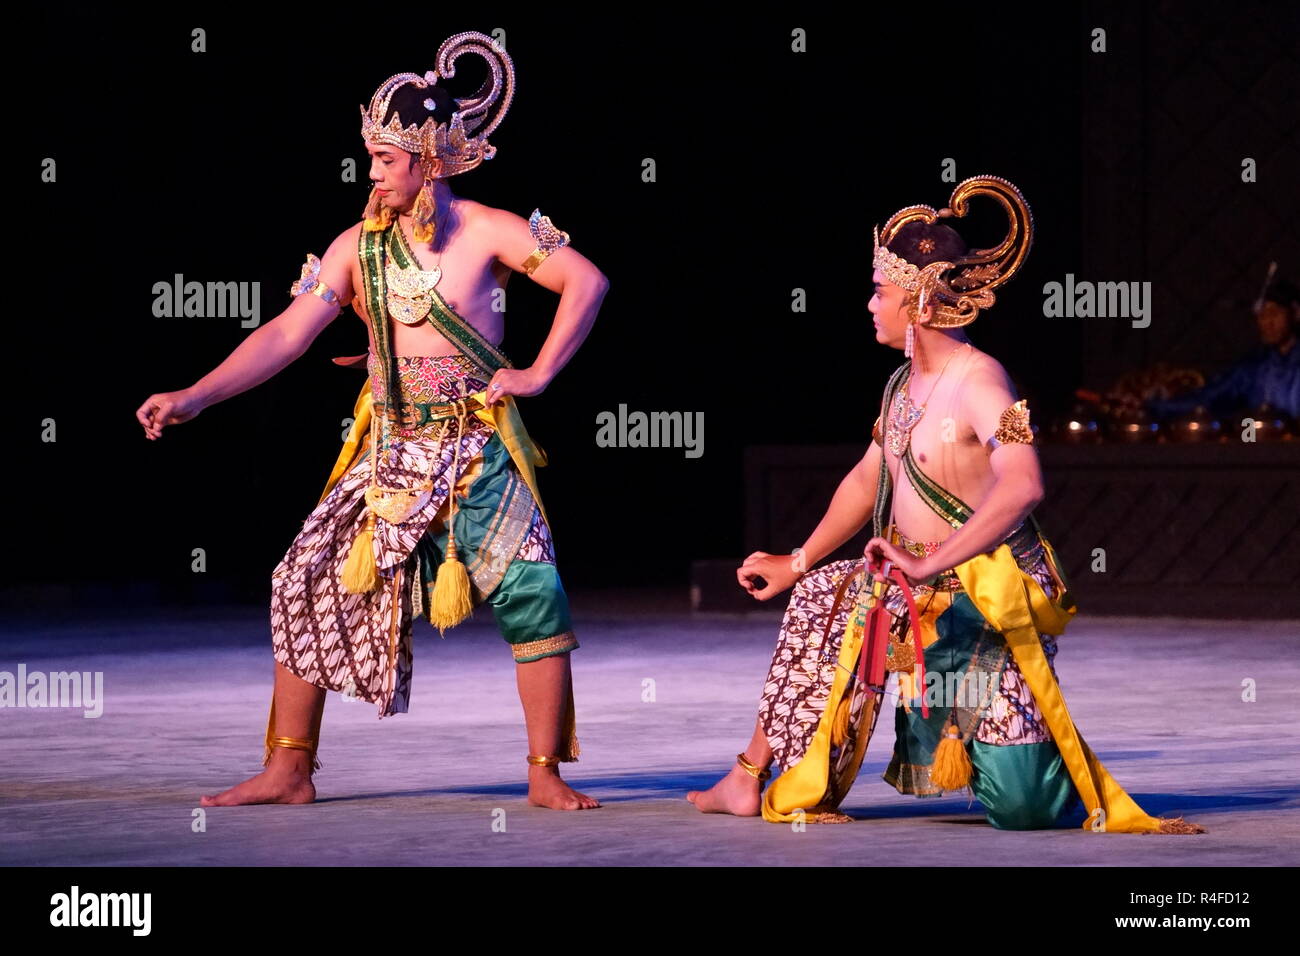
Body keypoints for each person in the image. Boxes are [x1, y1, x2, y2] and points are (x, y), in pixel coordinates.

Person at [136, 32, 609, 810]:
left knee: (534, 591)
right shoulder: (357, 247)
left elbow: (586, 282)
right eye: (371, 156)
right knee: (304, 578)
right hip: (390, 453)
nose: (372, 171)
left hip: (475, 450)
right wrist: (194, 395)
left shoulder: (490, 230)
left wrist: (537, 373)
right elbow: (287, 334)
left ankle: (543, 774)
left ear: (428, 158)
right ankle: (290, 769)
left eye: (386, 157)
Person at [688, 176, 1203, 833]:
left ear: (923, 303)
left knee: (1026, 809)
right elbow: (866, 477)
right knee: (822, 597)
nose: (870, 304)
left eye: (881, 291)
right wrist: (799, 557)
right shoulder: (901, 385)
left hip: (978, 594)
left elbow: (1023, 483)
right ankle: (749, 774)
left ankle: (1023, 757)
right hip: (908, 584)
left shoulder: (985, 384)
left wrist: (932, 565)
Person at [1146, 276, 1300, 420]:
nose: (1267, 322)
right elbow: (1209, 398)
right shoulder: (1254, 367)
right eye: (1261, 315)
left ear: (1296, 312)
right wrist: (1153, 406)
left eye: (1273, 313)